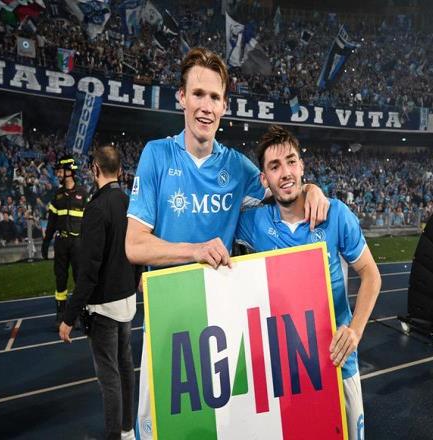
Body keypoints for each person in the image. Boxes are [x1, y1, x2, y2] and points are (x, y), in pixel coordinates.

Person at [125, 47, 329, 439]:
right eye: (198, 94)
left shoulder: (236, 166)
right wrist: (195, 251)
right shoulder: (156, 155)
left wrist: (312, 189)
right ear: (181, 97)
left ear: (224, 106)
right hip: (169, 320)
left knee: (222, 428)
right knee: (159, 432)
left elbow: (284, 185)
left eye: (215, 97)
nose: (206, 106)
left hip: (221, 322)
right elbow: (134, 245)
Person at [234, 125, 382, 440]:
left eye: (291, 162)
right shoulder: (255, 223)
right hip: (284, 371)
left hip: (337, 362)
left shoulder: (336, 214)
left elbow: (371, 274)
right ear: (264, 179)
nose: (285, 172)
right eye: (275, 167)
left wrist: (355, 331)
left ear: (302, 166)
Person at [59, 145, 141, 440]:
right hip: (127, 301)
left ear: (95, 169)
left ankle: (115, 436)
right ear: (120, 170)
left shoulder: (96, 208)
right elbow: (138, 251)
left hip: (104, 307)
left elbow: (89, 271)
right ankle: (128, 431)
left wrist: (69, 316)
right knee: (126, 368)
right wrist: (135, 281)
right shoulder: (130, 202)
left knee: (109, 377)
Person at [42, 155, 88, 329]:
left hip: (78, 244)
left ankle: (81, 314)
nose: (58, 174)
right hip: (61, 243)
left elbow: (90, 222)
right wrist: (46, 242)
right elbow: (51, 222)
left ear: (69, 172)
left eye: (61, 171)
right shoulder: (57, 195)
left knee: (79, 279)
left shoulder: (83, 194)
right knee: (60, 280)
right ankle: (61, 315)